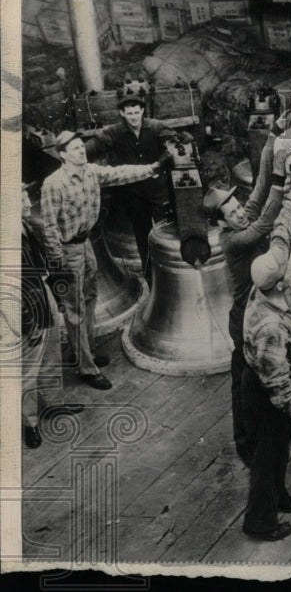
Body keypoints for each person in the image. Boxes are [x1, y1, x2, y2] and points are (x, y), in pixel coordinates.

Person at [40, 131, 174, 390]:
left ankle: (84, 352)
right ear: (62, 155)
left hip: (86, 242)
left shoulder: (91, 172)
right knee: (75, 309)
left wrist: (154, 168)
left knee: (89, 299)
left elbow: (120, 173)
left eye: (82, 147)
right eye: (76, 149)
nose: (81, 151)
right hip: (68, 251)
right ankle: (87, 368)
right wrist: (58, 265)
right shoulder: (53, 184)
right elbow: (48, 229)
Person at [203, 117, 291, 467]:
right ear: (221, 223)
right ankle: (244, 440)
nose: (240, 212)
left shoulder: (239, 216)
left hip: (266, 312)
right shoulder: (235, 240)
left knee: (281, 368)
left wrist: (273, 137)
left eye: (238, 207)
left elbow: (260, 187)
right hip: (244, 320)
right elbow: (265, 222)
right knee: (246, 383)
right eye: (233, 212)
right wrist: (287, 187)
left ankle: (288, 422)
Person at [241, 158, 291, 542]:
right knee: (268, 453)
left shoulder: (263, 281)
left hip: (270, 378)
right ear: (279, 280)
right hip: (265, 389)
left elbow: (280, 236)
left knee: (277, 449)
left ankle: (280, 495)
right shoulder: (269, 327)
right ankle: (260, 520)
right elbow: (278, 386)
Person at [18, 186, 85, 449]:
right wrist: (28, 322)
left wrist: (54, 298)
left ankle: (54, 404)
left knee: (52, 350)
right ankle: (29, 423)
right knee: (28, 368)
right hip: (25, 307)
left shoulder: (25, 225)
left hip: (39, 291)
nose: (28, 201)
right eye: (21, 197)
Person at [85, 94, 175, 281]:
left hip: (158, 192)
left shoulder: (156, 127)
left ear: (142, 111)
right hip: (134, 195)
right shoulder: (114, 133)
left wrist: (179, 139)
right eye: (129, 113)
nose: (134, 117)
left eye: (136, 112)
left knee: (166, 232)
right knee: (142, 236)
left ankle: (169, 273)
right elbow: (93, 147)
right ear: (122, 114)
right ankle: (150, 275)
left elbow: (173, 139)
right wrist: (77, 154)